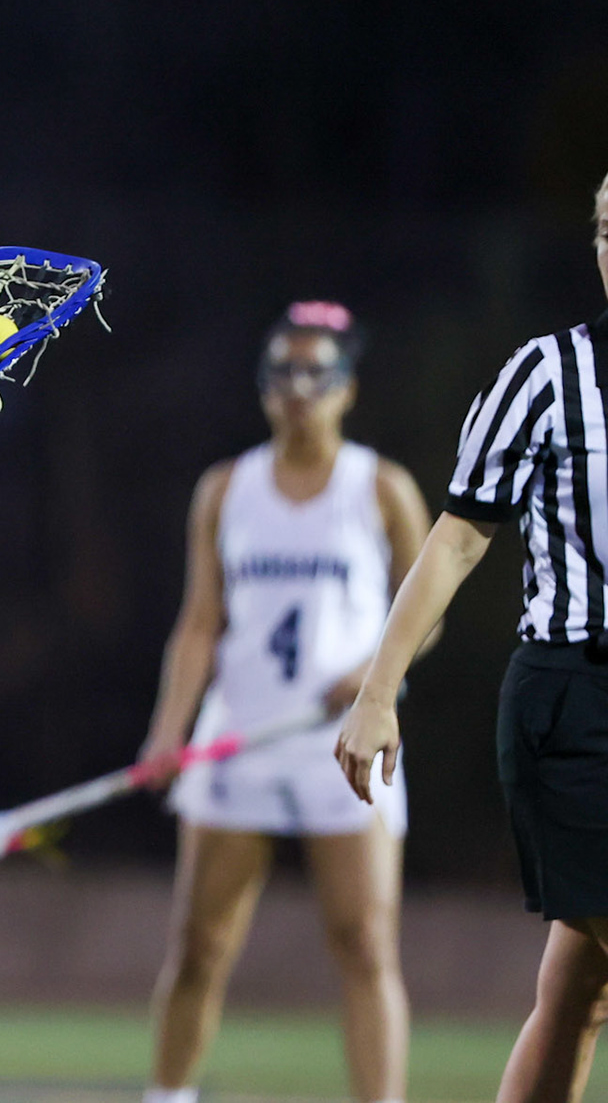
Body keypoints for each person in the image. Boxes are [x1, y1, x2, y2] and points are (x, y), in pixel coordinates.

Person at [338, 175, 608, 1103]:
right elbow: (455, 540)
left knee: (579, 992)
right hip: (577, 703)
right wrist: (379, 689)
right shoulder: (547, 376)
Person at [138, 302, 433, 1103]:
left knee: (366, 943)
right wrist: (168, 731)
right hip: (239, 739)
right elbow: (200, 623)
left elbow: (424, 611)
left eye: (316, 373)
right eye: (282, 372)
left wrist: (379, 673)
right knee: (199, 946)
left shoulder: (381, 488)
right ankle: (167, 1098)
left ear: (347, 389)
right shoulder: (226, 489)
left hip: (343, 747)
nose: (297, 388)